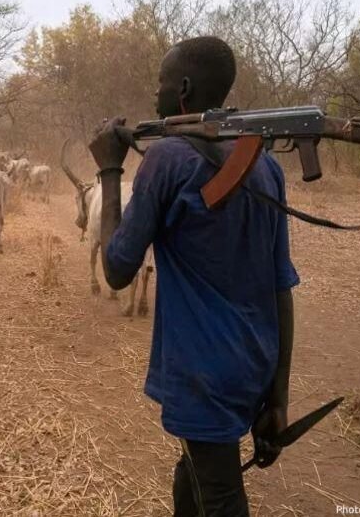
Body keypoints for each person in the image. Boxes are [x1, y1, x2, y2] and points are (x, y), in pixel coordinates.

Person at [86, 36, 299, 517]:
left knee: (221, 500)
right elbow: (281, 285)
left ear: (182, 88)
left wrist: (111, 170)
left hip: (204, 376)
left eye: (161, 85)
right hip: (256, 364)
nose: (155, 97)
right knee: (195, 478)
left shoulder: (166, 160)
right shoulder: (264, 164)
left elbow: (118, 270)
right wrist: (278, 395)